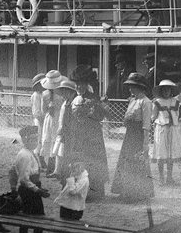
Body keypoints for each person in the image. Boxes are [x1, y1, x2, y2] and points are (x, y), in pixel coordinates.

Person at [58, 71, 109, 201]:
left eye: (82, 84)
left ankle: (92, 193)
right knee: (73, 163)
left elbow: (100, 116)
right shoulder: (73, 98)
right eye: (77, 84)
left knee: (91, 163)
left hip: (90, 137)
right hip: (74, 136)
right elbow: (66, 117)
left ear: (87, 84)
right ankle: (73, 190)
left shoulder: (94, 98)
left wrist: (93, 109)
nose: (79, 87)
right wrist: (64, 133)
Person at [112, 74, 155, 202]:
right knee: (126, 161)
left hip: (138, 135)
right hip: (129, 134)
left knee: (136, 161)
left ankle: (136, 192)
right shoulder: (132, 100)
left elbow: (146, 124)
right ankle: (125, 190)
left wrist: (145, 143)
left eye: (133, 87)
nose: (130, 89)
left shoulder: (146, 102)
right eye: (130, 86)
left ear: (139, 87)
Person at [9, 125, 47, 233]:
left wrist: (39, 188)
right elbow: (24, 179)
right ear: (25, 140)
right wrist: (38, 190)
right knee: (26, 220)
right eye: (32, 139)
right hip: (28, 192)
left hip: (34, 189)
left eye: (36, 139)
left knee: (38, 220)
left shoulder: (32, 153)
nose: (35, 142)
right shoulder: (24, 155)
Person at [152, 79, 181, 185]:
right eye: (164, 90)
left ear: (171, 91)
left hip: (173, 129)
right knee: (161, 153)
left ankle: (169, 177)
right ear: (161, 91)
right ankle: (161, 177)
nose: (166, 92)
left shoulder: (176, 102)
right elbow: (153, 116)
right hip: (162, 129)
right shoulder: (157, 102)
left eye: (168, 89)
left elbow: (179, 115)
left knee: (171, 153)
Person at [31, 70, 64, 174]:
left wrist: (56, 107)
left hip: (58, 117)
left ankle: (55, 166)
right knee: (48, 140)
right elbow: (43, 110)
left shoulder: (61, 94)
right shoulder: (44, 95)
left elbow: (63, 106)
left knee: (57, 140)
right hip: (48, 119)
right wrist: (48, 108)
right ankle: (48, 165)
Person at [57, 160, 91, 233]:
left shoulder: (84, 180)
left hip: (74, 209)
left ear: (80, 169)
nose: (73, 172)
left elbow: (73, 191)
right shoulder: (77, 177)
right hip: (67, 206)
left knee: (72, 232)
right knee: (66, 232)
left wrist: (71, 179)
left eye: (75, 170)